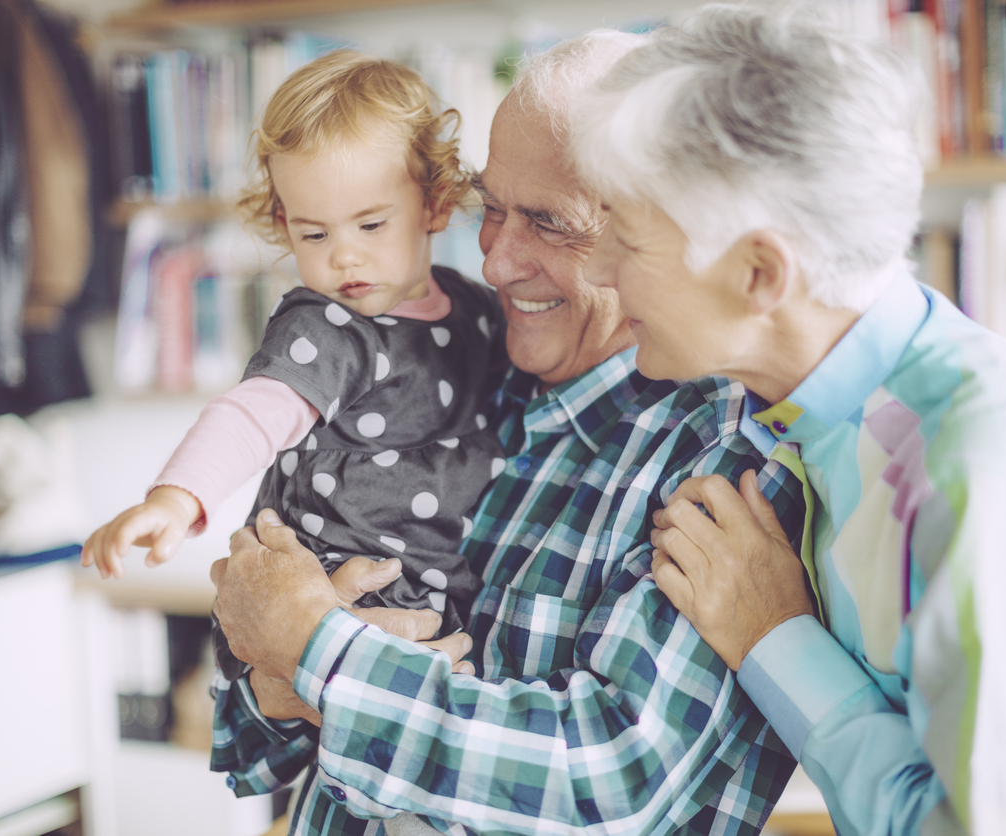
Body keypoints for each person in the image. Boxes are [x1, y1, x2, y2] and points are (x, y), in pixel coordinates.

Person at [570, 5, 1006, 835]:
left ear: (759, 274)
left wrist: (775, 638)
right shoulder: (805, 411)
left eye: (629, 241)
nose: (598, 269)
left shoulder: (983, 471)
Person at [209, 31, 811, 836]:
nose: (494, 260)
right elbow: (245, 740)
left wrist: (314, 649)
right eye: (491, 208)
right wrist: (276, 682)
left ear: (658, 233)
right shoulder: (419, 367)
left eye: (549, 223)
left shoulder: (720, 458)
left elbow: (614, 785)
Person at [81, 52, 507, 678]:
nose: (344, 257)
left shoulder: (474, 307)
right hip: (339, 587)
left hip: (442, 583)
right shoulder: (327, 326)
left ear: (435, 205)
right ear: (282, 223)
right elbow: (251, 416)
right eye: (314, 234)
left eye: (370, 224)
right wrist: (174, 501)